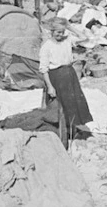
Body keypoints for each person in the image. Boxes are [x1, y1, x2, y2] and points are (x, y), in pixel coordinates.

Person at [39, 17, 93, 148]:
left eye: (62, 32)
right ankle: (62, 133)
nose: (60, 35)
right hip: (55, 77)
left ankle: (73, 129)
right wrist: (50, 87)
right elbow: (44, 69)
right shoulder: (47, 46)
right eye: (57, 32)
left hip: (69, 74)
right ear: (51, 31)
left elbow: (84, 38)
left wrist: (69, 27)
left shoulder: (67, 39)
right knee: (59, 106)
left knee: (73, 103)